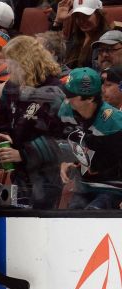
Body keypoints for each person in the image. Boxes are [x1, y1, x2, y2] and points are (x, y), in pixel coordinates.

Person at [0, 35, 66, 209]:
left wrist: (23, 154)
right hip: (20, 174)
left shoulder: (55, 92)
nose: (8, 68)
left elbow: (61, 141)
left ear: (26, 61)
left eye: (12, 63)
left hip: (47, 177)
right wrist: (2, 134)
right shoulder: (11, 87)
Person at [59, 67, 122, 209]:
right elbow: (60, 140)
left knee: (92, 213)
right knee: (72, 218)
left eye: (71, 96)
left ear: (90, 98)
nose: (66, 100)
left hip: (113, 189)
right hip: (84, 187)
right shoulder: (66, 111)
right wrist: (65, 161)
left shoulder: (115, 122)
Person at [54, 0, 110, 69]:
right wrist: (58, 21)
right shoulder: (76, 37)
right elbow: (54, 52)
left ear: (99, 15)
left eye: (86, 16)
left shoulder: (107, 40)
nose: (81, 21)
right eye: (77, 16)